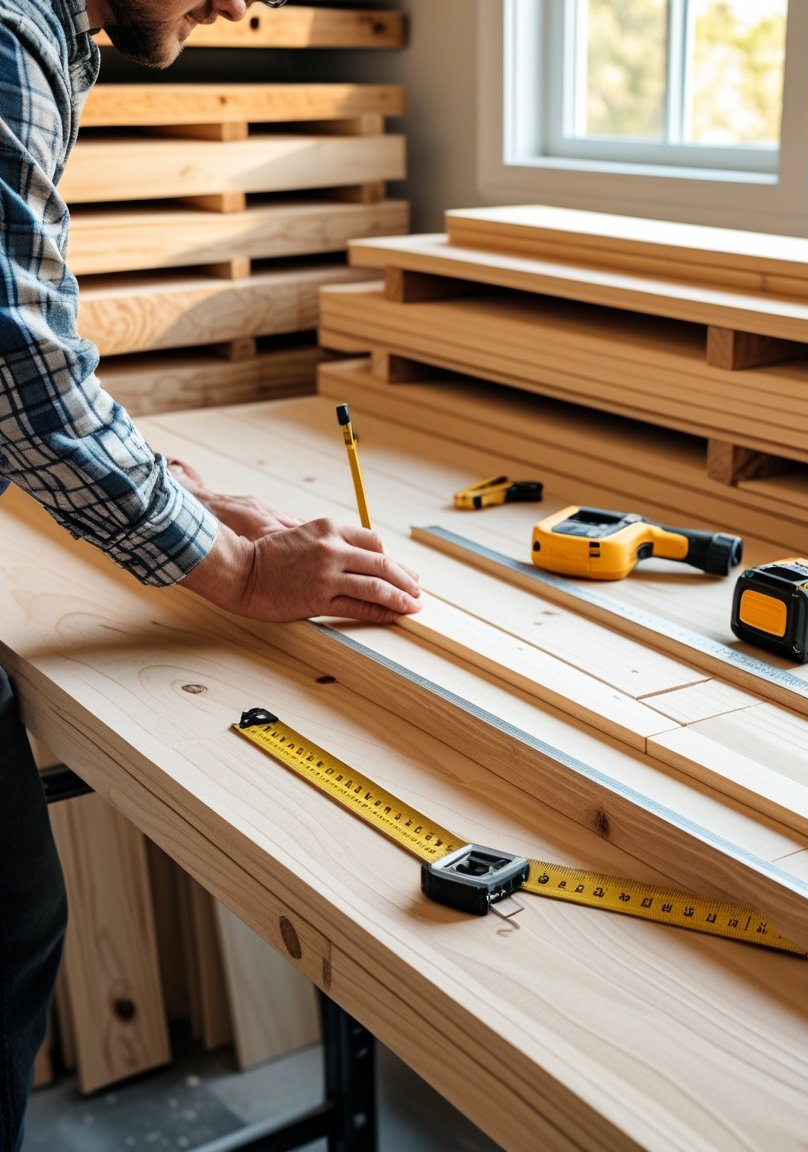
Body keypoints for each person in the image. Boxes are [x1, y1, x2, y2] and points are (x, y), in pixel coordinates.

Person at [0, 1, 422, 1146]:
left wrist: (177, 491)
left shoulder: (54, 32)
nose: (241, 5)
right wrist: (232, 567)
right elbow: (17, 356)